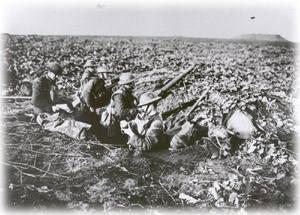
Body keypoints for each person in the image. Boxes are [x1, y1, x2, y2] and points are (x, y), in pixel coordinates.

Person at [100, 72, 138, 143]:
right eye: (130, 83)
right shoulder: (119, 95)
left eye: (132, 83)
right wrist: (136, 110)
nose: (133, 85)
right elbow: (121, 112)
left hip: (123, 119)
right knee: (119, 141)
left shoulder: (127, 92)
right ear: (124, 84)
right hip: (116, 122)